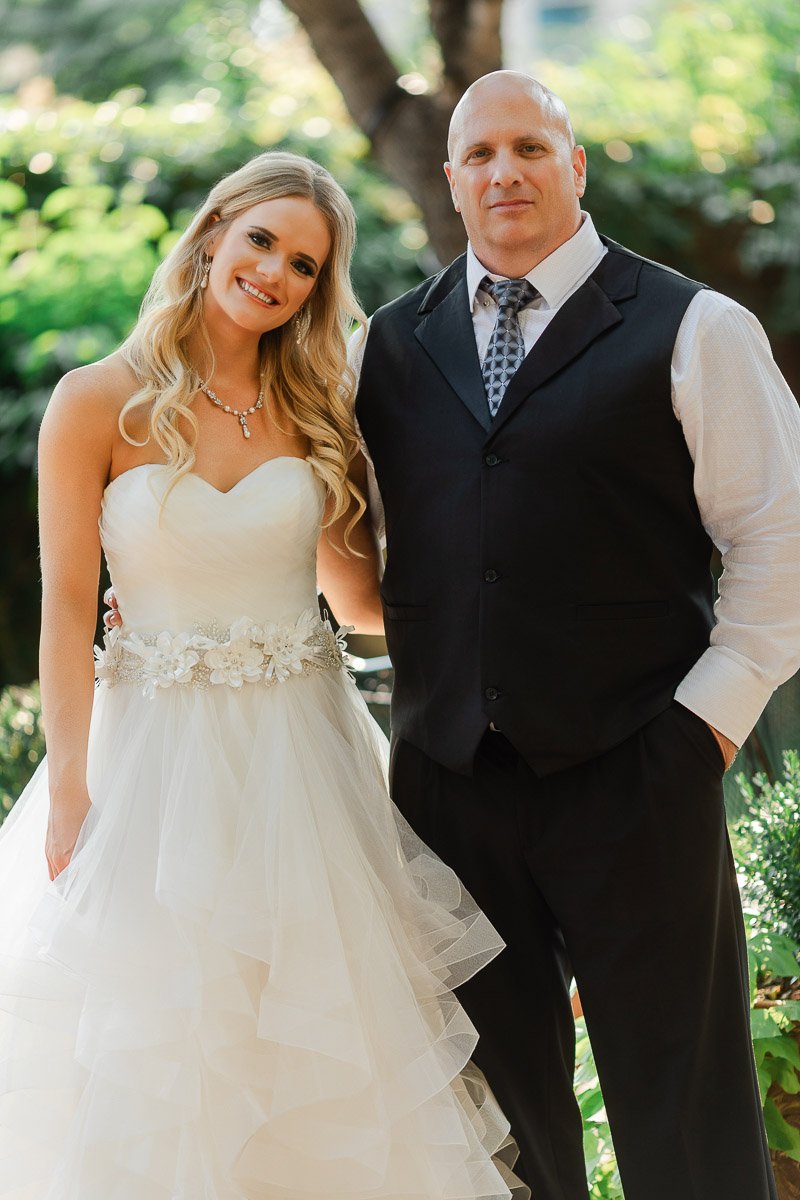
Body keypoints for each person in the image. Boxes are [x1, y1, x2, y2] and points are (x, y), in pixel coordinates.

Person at [0, 151, 525, 1199]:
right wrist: (68, 790)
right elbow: (65, 611)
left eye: (302, 264)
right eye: (260, 242)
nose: (274, 273)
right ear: (210, 236)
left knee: (317, 1045)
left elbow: (365, 603)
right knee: (158, 1046)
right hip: (151, 767)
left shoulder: (316, 408)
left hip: (302, 770)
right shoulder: (95, 402)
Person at [350, 72, 800, 1200]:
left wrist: (704, 727)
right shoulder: (384, 348)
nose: (504, 173)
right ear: (449, 181)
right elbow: (332, 536)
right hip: (448, 787)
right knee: (495, 1126)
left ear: (574, 166)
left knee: (681, 1114)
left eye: (529, 149)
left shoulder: (693, 326)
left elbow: (778, 538)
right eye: (480, 156)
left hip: (639, 770)